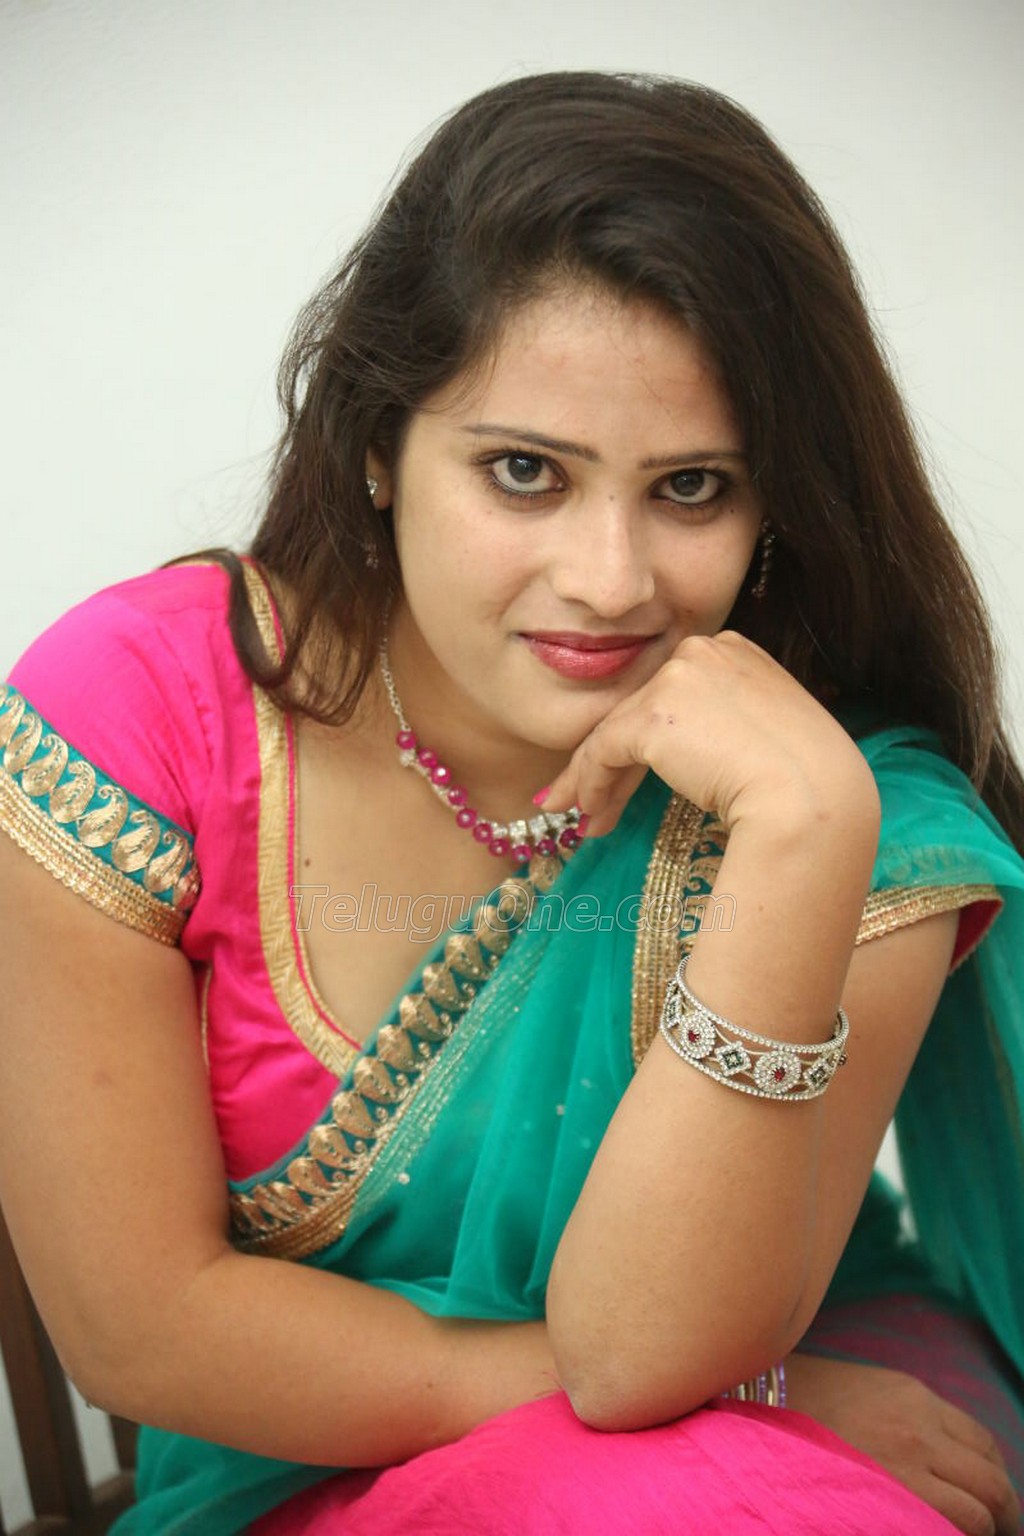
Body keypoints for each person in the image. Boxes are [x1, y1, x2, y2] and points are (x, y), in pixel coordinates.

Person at [0, 70, 1022, 1536]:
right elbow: (141, 1332)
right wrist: (756, 1398)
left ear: (775, 506)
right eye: (526, 472)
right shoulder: (145, 719)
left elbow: (655, 1346)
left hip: (800, 1359)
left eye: (692, 488)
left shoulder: (852, 798)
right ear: (375, 443)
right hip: (316, 1450)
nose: (610, 579)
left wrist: (803, 835)